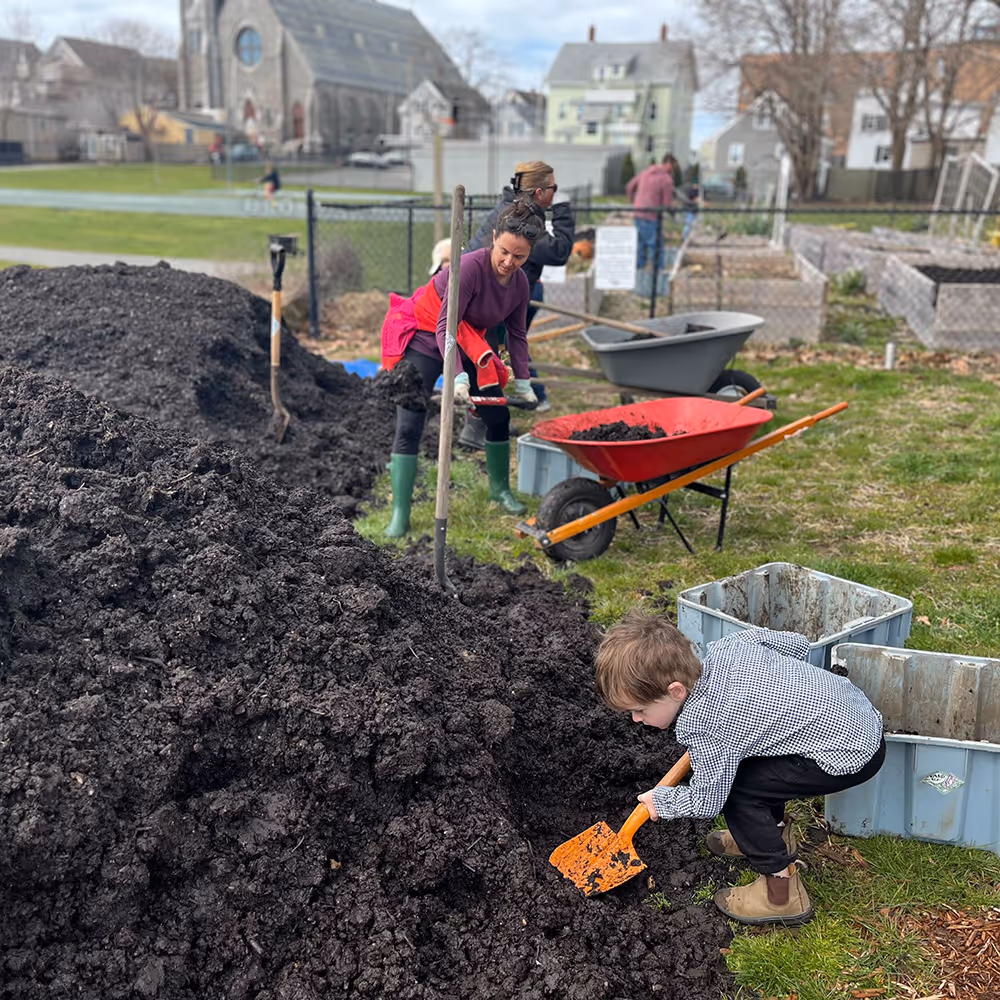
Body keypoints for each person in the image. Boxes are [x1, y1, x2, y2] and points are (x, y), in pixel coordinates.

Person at [594, 612, 886, 927]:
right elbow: (799, 645)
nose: (636, 720)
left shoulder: (706, 726)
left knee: (736, 792)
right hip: (858, 713)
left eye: (640, 710)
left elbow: (708, 802)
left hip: (847, 754)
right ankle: (767, 835)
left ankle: (781, 894)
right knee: (748, 770)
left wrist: (662, 801)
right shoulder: (729, 645)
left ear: (676, 691)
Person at [379, 197, 540, 537]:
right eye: (504, 252)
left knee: (498, 414)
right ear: (494, 237)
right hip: (427, 335)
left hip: (469, 341)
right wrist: (457, 377)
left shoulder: (521, 285)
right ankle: (400, 513)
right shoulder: (468, 269)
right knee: (410, 416)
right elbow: (444, 328)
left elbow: (517, 334)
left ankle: (499, 490)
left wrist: (524, 382)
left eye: (520, 256)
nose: (510, 262)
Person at [458, 161, 574, 444]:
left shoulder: (512, 208)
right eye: (553, 190)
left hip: (492, 298)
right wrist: (563, 211)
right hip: (486, 300)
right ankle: (480, 429)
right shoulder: (520, 221)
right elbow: (558, 252)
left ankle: (484, 424)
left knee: (491, 360)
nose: (554, 195)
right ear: (538, 192)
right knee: (486, 362)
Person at [626, 153, 675, 272]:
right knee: (656, 247)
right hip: (652, 216)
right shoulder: (666, 179)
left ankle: (639, 275)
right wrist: (672, 211)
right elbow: (667, 203)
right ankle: (657, 276)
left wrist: (634, 202)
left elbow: (629, 187)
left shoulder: (645, 173)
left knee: (640, 245)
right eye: (673, 167)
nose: (673, 170)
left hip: (638, 213)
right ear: (668, 163)